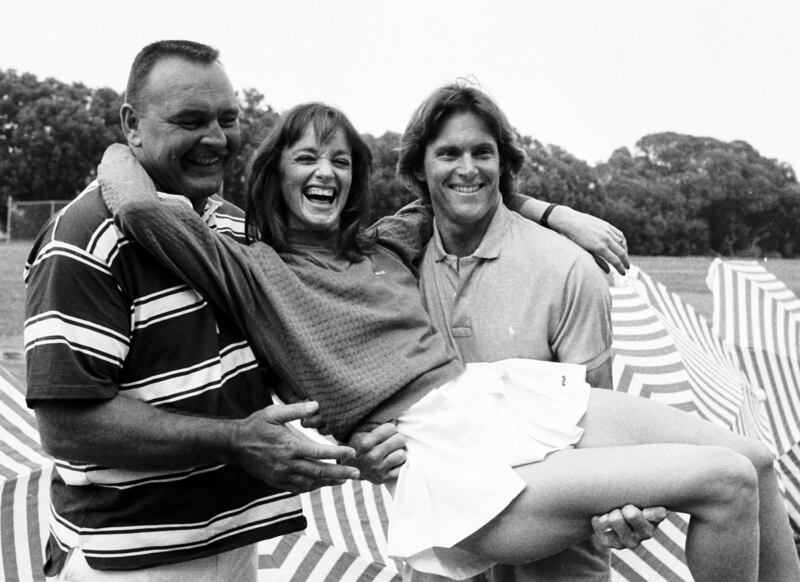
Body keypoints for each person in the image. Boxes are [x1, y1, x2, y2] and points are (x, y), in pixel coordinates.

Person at [98, 102, 800, 582]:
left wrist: (562, 215)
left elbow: (466, 185)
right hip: (443, 455)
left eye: (341, 161)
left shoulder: (381, 243)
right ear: (274, 170)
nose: (326, 173)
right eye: (306, 157)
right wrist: (125, 135)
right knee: (724, 481)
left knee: (756, 458)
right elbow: (132, 201)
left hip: (499, 398)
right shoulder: (247, 265)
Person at [23, 40, 361, 581]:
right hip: (132, 562)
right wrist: (234, 441)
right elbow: (66, 426)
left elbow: (282, 356)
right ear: (133, 125)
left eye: (228, 119)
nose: (216, 138)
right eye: (190, 120)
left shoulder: (231, 225)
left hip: (237, 548)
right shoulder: (83, 238)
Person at [396, 83, 649, 581]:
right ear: (418, 170)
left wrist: (620, 507)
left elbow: (594, 424)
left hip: (555, 555)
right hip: (443, 551)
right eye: (448, 152)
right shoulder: (397, 265)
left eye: (482, 153)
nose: (467, 168)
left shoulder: (570, 269)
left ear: (503, 164)